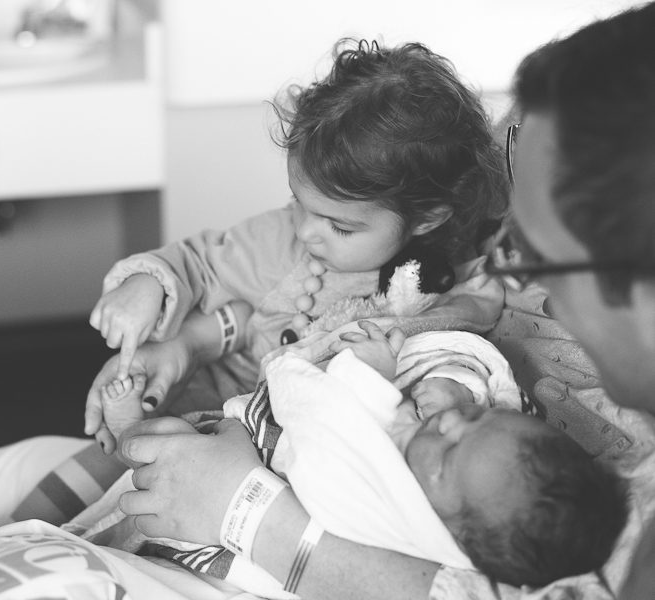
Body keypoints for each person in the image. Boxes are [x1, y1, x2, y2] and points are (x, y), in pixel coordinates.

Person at [115, 4, 655, 599]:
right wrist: (194, 338)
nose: (498, 269)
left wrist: (252, 513)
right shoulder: (540, 140)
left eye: (534, 256)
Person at [86, 38, 509, 453]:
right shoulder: (280, 241)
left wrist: (453, 386)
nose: (305, 231)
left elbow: (459, 339)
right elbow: (200, 262)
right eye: (299, 202)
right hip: (217, 402)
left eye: (339, 226)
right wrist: (146, 282)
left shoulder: (444, 289)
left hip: (298, 446)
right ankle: (132, 433)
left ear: (428, 218)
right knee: (151, 442)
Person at [84, 329, 626, 594]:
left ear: (455, 531)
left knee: (158, 454)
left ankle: (129, 439)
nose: (446, 425)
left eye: (450, 451)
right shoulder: (477, 465)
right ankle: (129, 438)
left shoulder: (405, 518)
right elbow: (488, 373)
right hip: (230, 446)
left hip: (226, 527)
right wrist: (455, 384)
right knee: (159, 449)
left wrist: (364, 378)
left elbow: (330, 443)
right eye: (473, 420)